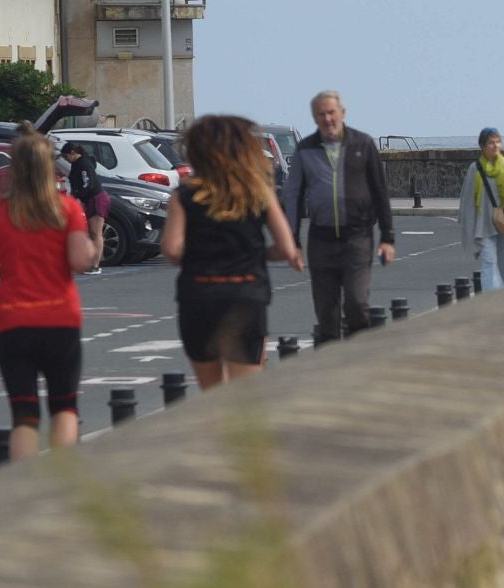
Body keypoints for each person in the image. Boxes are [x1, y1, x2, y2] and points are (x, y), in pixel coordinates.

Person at [0, 124, 95, 461]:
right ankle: (64, 477)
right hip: (60, 318)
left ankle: (24, 483)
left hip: (12, 321)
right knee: (65, 407)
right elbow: (80, 261)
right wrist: (91, 247)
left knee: (24, 415)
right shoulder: (66, 209)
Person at [163, 114, 302, 388]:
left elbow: (171, 249)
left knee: (212, 390)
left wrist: (201, 255)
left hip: (199, 293)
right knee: (245, 392)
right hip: (245, 293)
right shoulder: (258, 194)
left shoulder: (184, 196)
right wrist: (255, 253)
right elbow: (286, 247)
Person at [281, 90, 395, 344]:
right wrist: (292, 242)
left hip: (357, 238)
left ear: (342, 113)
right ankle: (330, 363)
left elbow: (380, 190)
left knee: (356, 303)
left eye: (331, 112)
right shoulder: (305, 149)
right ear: (315, 118)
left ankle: (357, 357)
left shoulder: (362, 144)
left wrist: (388, 237)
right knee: (327, 314)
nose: (327, 119)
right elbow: (293, 196)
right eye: (321, 114)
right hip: (320, 240)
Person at [457, 127, 504, 289]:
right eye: (491, 143)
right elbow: (467, 200)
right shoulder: (475, 169)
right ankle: (492, 298)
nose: (495, 146)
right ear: (482, 146)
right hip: (484, 225)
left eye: (498, 142)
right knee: (489, 263)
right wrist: (468, 224)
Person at [61, 142, 108, 273]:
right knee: (91, 233)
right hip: (89, 199)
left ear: (73, 153)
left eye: (66, 156)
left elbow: (88, 184)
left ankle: (95, 265)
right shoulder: (77, 164)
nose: (66, 160)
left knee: (96, 233)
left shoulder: (84, 164)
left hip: (96, 198)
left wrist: (76, 195)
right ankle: (91, 263)